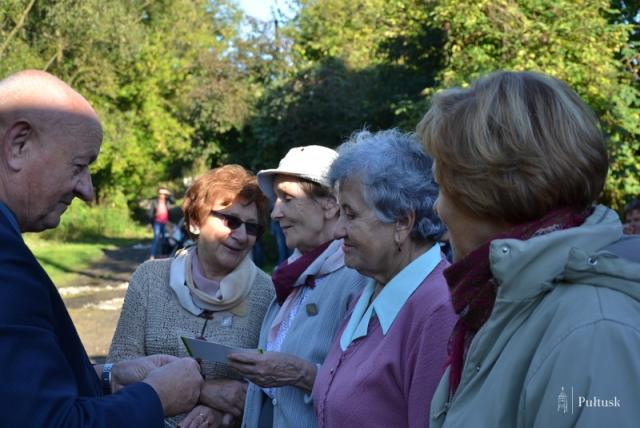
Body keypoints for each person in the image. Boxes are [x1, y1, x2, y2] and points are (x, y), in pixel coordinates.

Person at [417, 71, 640, 427]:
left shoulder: (593, 333)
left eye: (442, 187)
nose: (436, 207)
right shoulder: (502, 301)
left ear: (486, 194)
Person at [0, 70, 203, 427]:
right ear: (18, 145)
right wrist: (156, 396)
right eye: (79, 166)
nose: (87, 191)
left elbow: (17, 394)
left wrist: (110, 378)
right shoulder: (6, 263)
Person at [109, 165, 275, 427]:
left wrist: (224, 416)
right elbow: (119, 369)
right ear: (196, 222)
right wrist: (204, 390)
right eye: (231, 221)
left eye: (252, 227)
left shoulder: (267, 294)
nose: (242, 236)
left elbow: (269, 392)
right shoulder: (150, 278)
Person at [312, 129, 457, 428]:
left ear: (402, 223)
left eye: (350, 214)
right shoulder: (370, 290)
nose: (337, 231)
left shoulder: (439, 309)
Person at [227, 145, 367, 428]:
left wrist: (301, 374)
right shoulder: (292, 274)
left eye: (288, 198)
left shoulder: (358, 278)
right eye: (276, 199)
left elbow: (366, 392)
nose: (275, 213)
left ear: (330, 203)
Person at [149, 187, 174, 259]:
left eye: (164, 194)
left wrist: (169, 194)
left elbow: (173, 201)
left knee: (165, 238)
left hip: (166, 223)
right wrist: (150, 223)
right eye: (160, 193)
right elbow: (150, 213)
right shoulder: (154, 201)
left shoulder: (167, 201)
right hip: (157, 222)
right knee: (156, 238)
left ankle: (163, 255)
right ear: (158, 194)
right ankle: (152, 255)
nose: (162, 195)